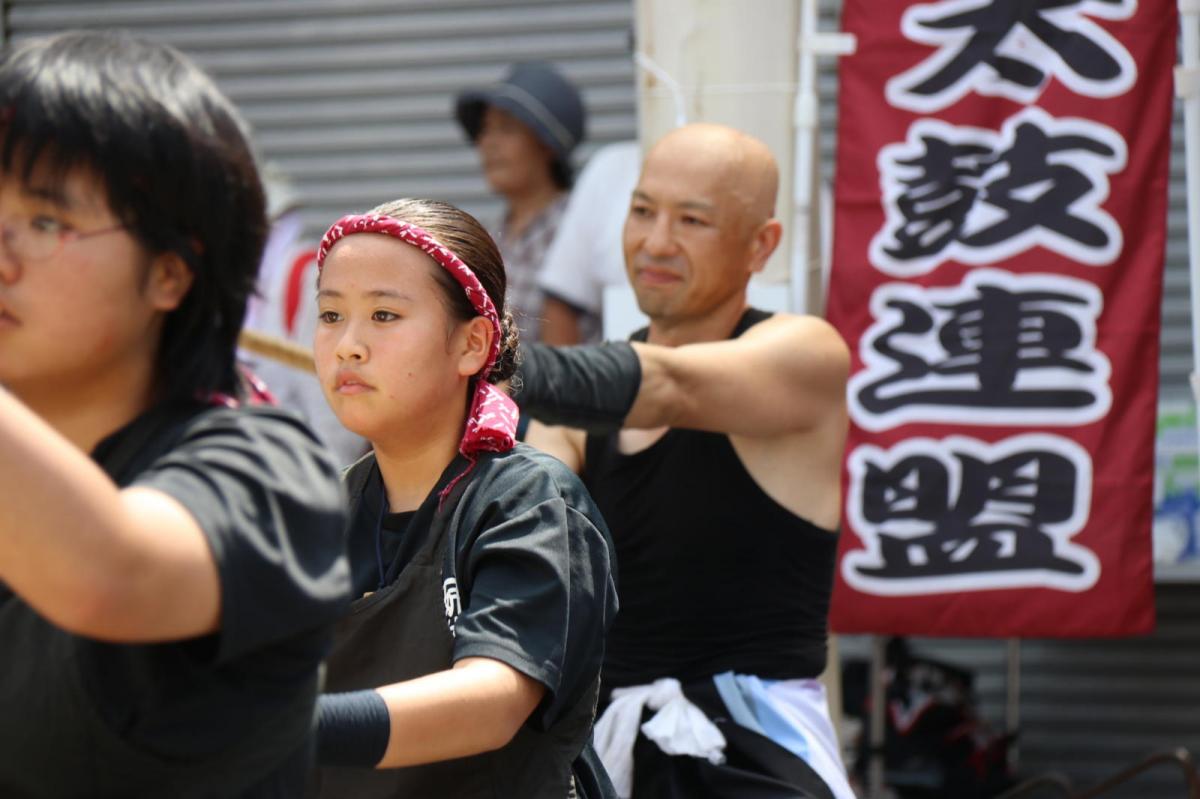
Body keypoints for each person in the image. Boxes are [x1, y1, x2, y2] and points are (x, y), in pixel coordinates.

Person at [0, 30, 350, 798]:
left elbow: (109, 570)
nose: (4, 250)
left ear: (170, 272)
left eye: (46, 220)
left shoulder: (270, 474)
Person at [517, 123, 857, 799]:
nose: (656, 241)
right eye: (643, 210)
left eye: (692, 220)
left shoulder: (806, 355)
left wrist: (493, 363)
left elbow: (670, 384)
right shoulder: (577, 402)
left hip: (760, 752)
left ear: (761, 245)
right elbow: (528, 504)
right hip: (610, 747)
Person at [307, 198, 618, 798]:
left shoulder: (527, 501)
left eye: (384, 315)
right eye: (329, 315)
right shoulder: (320, 511)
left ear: (473, 343)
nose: (348, 345)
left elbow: (493, 700)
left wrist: (289, 727)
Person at [455, 61, 585, 342]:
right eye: (485, 130)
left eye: (507, 129)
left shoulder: (579, 227)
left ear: (547, 144)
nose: (488, 143)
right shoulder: (488, 238)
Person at [538, 140, 641, 345]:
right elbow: (561, 299)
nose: (658, 245)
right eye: (642, 211)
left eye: (691, 219)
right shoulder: (613, 168)